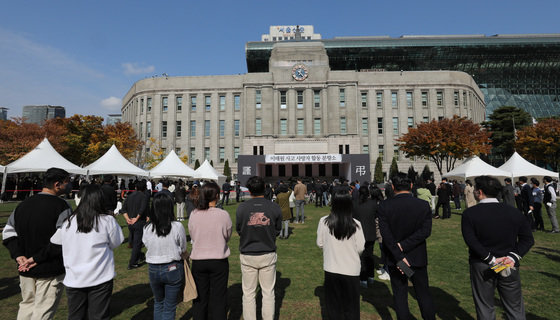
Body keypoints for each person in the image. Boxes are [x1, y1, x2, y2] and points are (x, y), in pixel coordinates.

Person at [2, 167, 72, 320]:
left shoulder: (23, 204)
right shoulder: (62, 206)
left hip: (26, 266)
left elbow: (8, 233)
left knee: (27, 306)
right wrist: (26, 257)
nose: (69, 185)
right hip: (48, 268)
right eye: (67, 182)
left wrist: (19, 255)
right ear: (57, 184)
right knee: (42, 311)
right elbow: (62, 240)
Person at [461, 176, 534, 319]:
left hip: (483, 263)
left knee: (485, 306)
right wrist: (512, 257)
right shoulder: (513, 212)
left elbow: (471, 240)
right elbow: (528, 239)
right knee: (515, 307)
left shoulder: (470, 213)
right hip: (508, 264)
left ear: (479, 192)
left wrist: (491, 259)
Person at [50, 184, 124, 320]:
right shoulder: (107, 221)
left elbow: (56, 240)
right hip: (99, 278)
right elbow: (116, 242)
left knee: (76, 316)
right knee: (97, 316)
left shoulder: (68, 222)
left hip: (77, 278)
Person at [378, 173, 436, 320]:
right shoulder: (422, 205)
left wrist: (400, 251)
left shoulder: (385, 205)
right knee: (423, 294)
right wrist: (402, 249)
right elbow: (425, 232)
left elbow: (386, 235)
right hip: (415, 257)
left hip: (397, 258)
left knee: (400, 296)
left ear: (392, 187)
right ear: (411, 186)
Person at [236, 176, 282, 320]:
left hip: (252, 252)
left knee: (249, 293)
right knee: (267, 292)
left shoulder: (243, 207)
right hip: (263, 252)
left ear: (249, 191)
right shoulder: (273, 207)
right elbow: (277, 230)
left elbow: (240, 230)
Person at [317, 189, 365, 319]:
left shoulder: (324, 222)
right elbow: (360, 248)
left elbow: (320, 243)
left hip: (331, 268)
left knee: (333, 308)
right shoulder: (356, 225)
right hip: (351, 270)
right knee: (351, 308)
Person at [188, 182, 232, 320]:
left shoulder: (194, 214)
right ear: (217, 196)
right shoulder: (223, 214)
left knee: (200, 298)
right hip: (218, 259)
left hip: (199, 260)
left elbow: (193, 235)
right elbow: (227, 235)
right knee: (219, 297)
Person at [143, 193, 187, 320]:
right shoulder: (177, 226)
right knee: (169, 306)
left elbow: (147, 244)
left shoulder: (147, 228)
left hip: (154, 269)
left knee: (159, 303)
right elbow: (183, 247)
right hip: (172, 268)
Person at [352, 186, 377, 288]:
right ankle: (370, 277)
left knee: (361, 257)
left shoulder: (354, 204)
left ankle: (363, 279)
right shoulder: (373, 204)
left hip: (359, 233)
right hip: (370, 233)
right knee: (369, 256)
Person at [121, 180, 149, 269]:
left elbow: (123, 209)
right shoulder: (144, 197)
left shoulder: (129, 196)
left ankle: (139, 255)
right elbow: (142, 209)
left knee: (134, 241)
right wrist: (136, 219)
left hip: (130, 222)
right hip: (139, 221)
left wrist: (127, 219)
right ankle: (132, 263)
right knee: (137, 243)